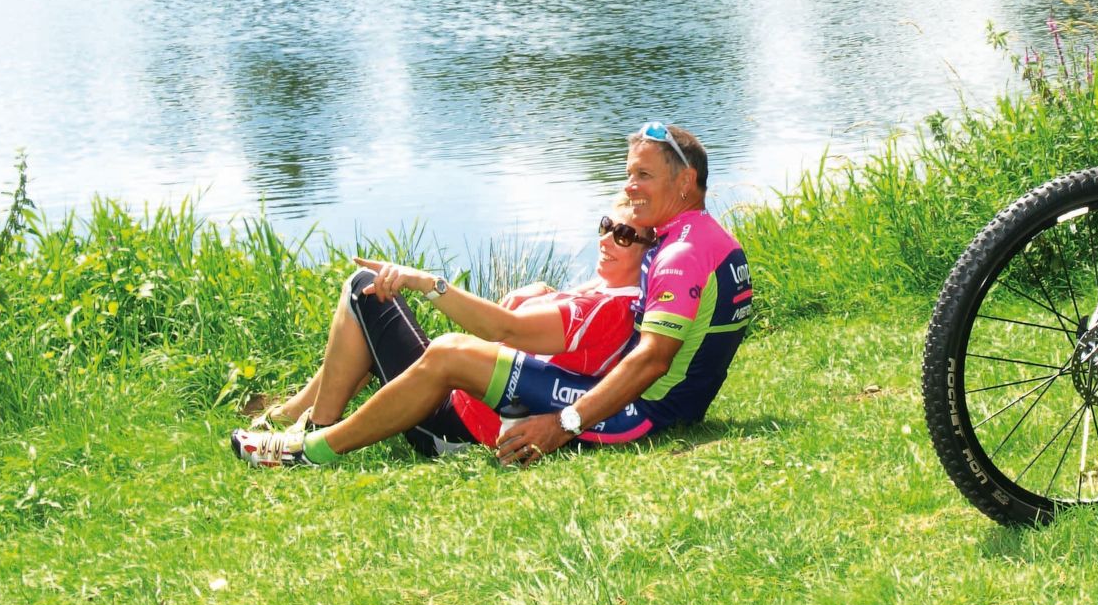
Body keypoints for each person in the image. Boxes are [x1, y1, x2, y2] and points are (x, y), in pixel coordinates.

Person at [233, 122, 752, 468]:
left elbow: (652, 359)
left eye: (644, 175)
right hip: (654, 408)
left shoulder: (680, 253)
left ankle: (312, 445)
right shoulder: (701, 241)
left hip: (632, 415)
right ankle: (301, 415)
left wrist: (564, 424)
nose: (632, 187)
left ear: (685, 182)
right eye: (628, 176)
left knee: (429, 336)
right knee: (382, 305)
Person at [234, 199, 653, 460]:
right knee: (368, 306)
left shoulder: (607, 309)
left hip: (451, 421)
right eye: (606, 225)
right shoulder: (606, 292)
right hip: (460, 399)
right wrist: (541, 293)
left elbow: (501, 327)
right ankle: (293, 412)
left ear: (648, 250)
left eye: (624, 236)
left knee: (365, 290)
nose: (607, 240)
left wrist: (428, 283)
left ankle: (314, 430)